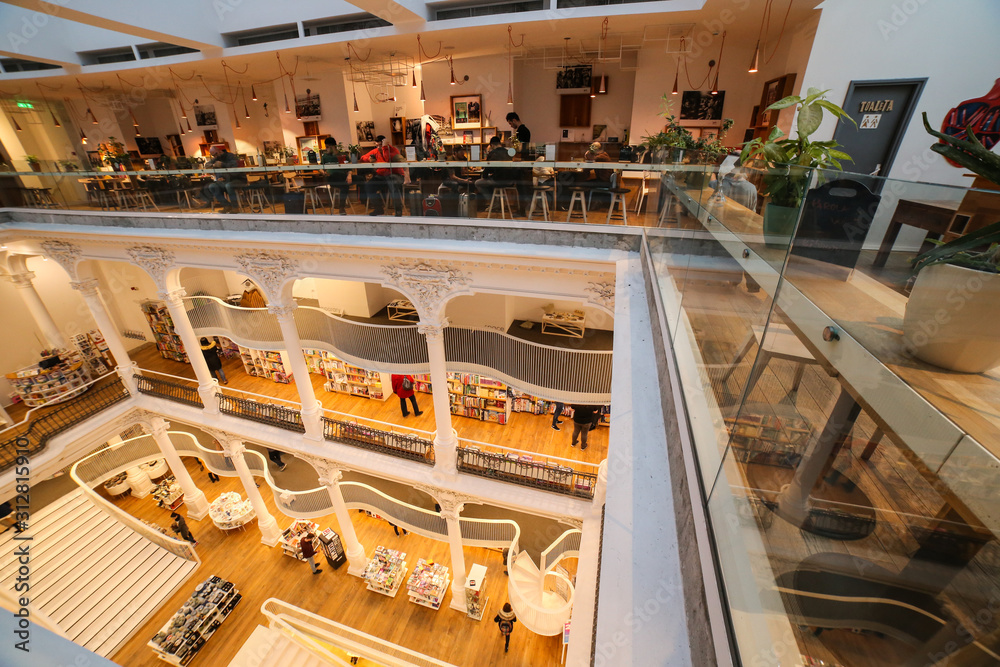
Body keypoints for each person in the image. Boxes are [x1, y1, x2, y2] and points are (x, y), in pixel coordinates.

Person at [361, 135, 406, 216]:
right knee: (369, 186)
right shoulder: (375, 151)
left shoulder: (393, 150)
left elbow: (388, 159)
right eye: (377, 145)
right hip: (382, 176)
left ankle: (398, 211)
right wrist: (369, 159)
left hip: (396, 174)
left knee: (392, 184)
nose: (378, 147)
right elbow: (362, 158)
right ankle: (378, 208)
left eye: (380, 145)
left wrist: (385, 148)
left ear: (385, 143)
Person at [203, 145, 246, 213]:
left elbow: (234, 166)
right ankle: (226, 205)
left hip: (238, 179)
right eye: (213, 155)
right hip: (225, 180)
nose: (215, 156)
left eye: (216, 154)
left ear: (219, 151)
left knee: (228, 186)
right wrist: (215, 166)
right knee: (212, 186)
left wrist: (222, 165)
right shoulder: (216, 159)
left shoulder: (231, 156)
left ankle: (235, 207)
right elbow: (207, 165)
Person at [474, 136, 513, 208]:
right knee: (489, 181)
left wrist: (485, 176)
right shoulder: (508, 152)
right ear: (499, 143)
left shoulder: (493, 153)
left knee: (478, 183)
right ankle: (497, 202)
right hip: (509, 181)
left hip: (498, 180)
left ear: (491, 145)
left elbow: (487, 169)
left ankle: (493, 202)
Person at [321, 137, 349, 214]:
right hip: (332, 177)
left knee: (360, 179)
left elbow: (348, 165)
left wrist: (349, 174)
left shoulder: (343, 155)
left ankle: (368, 202)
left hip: (343, 177)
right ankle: (342, 207)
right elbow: (320, 167)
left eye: (327, 147)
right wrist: (324, 172)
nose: (326, 149)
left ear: (333, 147)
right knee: (345, 185)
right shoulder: (325, 157)